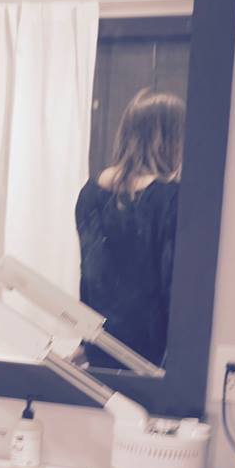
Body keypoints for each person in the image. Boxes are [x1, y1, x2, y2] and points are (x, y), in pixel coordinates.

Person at [75, 89, 184, 368]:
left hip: (100, 343)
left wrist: (86, 343)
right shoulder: (170, 199)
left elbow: (89, 277)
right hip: (152, 355)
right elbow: (172, 288)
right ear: (171, 140)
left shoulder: (90, 193)